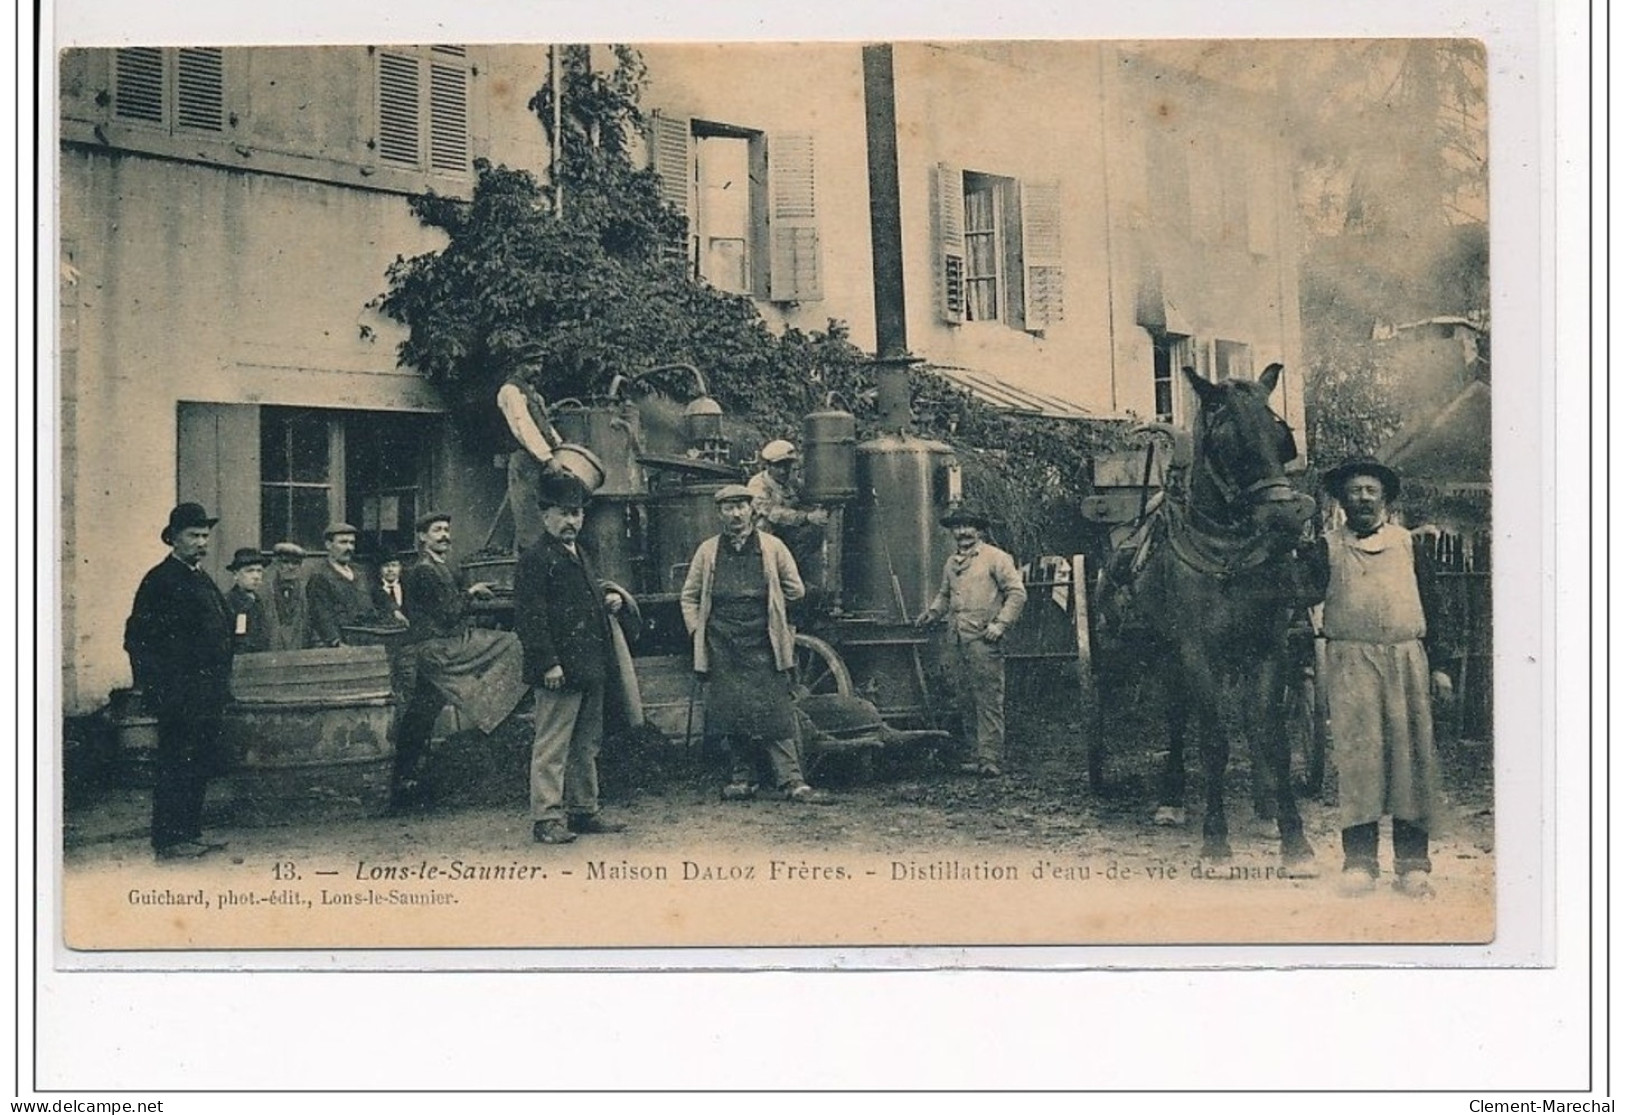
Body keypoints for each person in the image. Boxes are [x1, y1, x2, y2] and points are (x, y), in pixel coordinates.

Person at [1310, 457, 1455, 899]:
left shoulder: (1410, 545)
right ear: (1343, 501)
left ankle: (1413, 866)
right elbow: (1304, 592)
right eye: (1355, 491)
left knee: (1410, 760)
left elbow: (1433, 605)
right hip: (1351, 663)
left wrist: (1442, 666)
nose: (1363, 498)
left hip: (1406, 660)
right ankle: (1359, 864)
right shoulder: (1326, 547)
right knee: (1359, 761)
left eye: (1371, 490)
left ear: (1385, 500)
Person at [680, 484, 831, 805]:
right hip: (721, 643)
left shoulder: (773, 547)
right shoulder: (707, 551)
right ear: (719, 513)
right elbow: (689, 596)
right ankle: (742, 778)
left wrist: (777, 618)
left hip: (763, 641)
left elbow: (796, 590)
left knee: (775, 711)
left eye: (740, 507)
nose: (735, 514)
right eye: (728, 508)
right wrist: (698, 631)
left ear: (751, 510)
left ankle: (792, 781)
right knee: (731, 712)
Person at [513, 474, 633, 843]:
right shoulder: (535, 559)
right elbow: (530, 617)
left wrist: (608, 600)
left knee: (586, 743)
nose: (572, 522)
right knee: (552, 745)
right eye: (564, 514)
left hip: (589, 667)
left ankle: (583, 811)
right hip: (559, 671)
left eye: (578, 514)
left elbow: (582, 599)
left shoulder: (580, 553)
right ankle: (546, 819)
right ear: (545, 516)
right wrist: (548, 662)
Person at [394, 512, 530, 807]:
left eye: (446, 530)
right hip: (440, 649)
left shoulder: (443, 567)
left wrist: (471, 597)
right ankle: (498, 710)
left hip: (441, 648)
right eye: (437, 530)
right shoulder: (423, 571)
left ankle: (404, 781)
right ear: (422, 537)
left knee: (421, 713)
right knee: (513, 644)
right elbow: (447, 614)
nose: (444, 535)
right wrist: (472, 593)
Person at [123, 502, 236, 860]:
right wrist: (159, 687)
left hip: (207, 692)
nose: (201, 542)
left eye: (205, 536)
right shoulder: (160, 580)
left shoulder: (200, 576)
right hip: (179, 694)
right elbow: (136, 639)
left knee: (199, 761)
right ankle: (169, 840)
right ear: (173, 538)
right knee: (176, 762)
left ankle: (189, 832)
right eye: (193, 535)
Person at [915, 508, 1028, 777]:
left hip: (983, 639)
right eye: (957, 527)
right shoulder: (951, 563)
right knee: (964, 697)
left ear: (980, 531)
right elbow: (944, 595)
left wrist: (1000, 624)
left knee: (988, 698)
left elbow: (1017, 593)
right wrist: (932, 612)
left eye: (968, 527)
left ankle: (990, 759)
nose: (962, 532)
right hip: (956, 639)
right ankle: (974, 755)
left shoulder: (996, 558)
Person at [497, 348, 567, 554]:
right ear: (518, 365)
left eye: (539, 364)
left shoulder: (534, 395)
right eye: (531, 364)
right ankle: (535, 560)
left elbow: (544, 427)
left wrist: (560, 448)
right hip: (525, 460)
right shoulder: (510, 391)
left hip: (540, 458)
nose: (536, 369)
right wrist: (548, 458)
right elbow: (524, 427)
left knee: (547, 512)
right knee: (529, 515)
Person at [746, 439, 830, 585]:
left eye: (787, 465)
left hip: (787, 533)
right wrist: (807, 517)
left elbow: (807, 498)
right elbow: (772, 512)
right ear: (768, 466)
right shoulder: (758, 484)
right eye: (778, 466)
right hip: (764, 537)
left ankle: (794, 573)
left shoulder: (791, 482)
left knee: (814, 531)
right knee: (764, 523)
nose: (783, 471)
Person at [304, 523, 379, 647]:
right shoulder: (320, 576)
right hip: (343, 641)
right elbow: (322, 614)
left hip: (368, 637)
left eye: (352, 543)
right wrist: (335, 641)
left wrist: (394, 609)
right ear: (328, 545)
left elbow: (378, 594)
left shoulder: (360, 571)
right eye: (343, 542)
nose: (349, 547)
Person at [223, 547, 271, 653]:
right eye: (250, 571)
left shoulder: (258, 600)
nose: (256, 576)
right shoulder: (229, 602)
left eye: (259, 571)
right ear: (236, 575)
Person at [263, 541, 309, 652]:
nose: (291, 567)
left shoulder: (304, 590)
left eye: (296, 563)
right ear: (277, 563)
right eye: (285, 562)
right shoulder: (265, 589)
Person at [371, 556, 410, 628]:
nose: (390, 569)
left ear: (400, 568)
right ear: (380, 569)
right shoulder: (373, 589)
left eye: (394, 565)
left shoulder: (408, 586)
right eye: (386, 566)